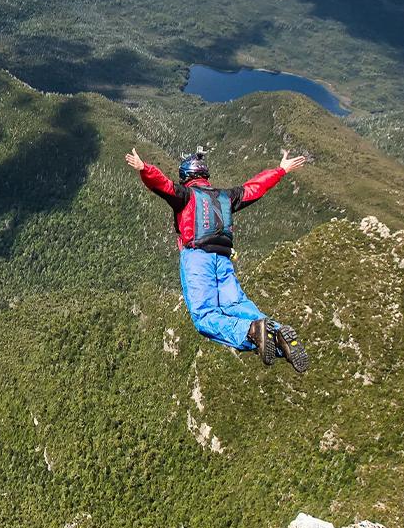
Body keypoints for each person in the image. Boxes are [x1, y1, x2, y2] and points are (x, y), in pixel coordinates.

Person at [125, 145, 309, 372]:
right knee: (237, 305)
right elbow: (254, 188)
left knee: (205, 317)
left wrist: (144, 168)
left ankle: (250, 331)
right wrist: (280, 170)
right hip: (223, 261)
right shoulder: (226, 197)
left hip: (197, 259)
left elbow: (162, 185)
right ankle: (279, 333)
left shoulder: (185, 195)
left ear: (186, 177)